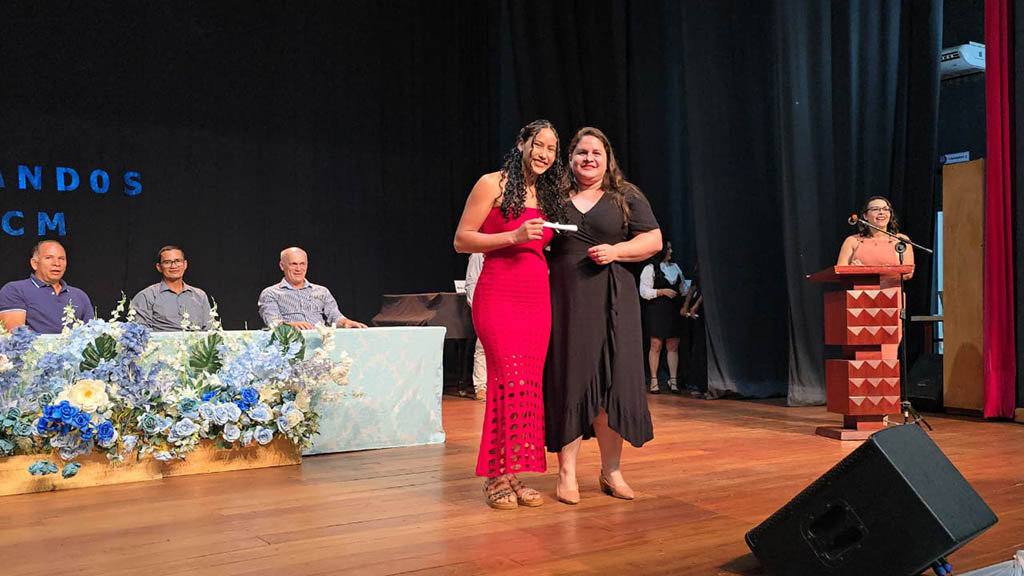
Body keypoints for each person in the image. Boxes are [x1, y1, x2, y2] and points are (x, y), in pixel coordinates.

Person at [545, 127, 662, 505]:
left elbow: (654, 240)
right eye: (582, 152)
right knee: (571, 377)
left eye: (596, 152)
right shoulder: (554, 197)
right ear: (570, 159)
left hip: (614, 299)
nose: (589, 158)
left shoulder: (625, 196)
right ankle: (566, 473)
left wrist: (616, 251)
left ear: (607, 158)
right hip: (567, 299)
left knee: (612, 382)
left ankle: (611, 471)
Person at [453, 119, 567, 510]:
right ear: (521, 143)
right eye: (539, 145)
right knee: (504, 383)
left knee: (526, 386)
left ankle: (513, 471)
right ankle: (495, 476)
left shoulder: (547, 194)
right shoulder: (492, 184)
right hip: (499, 294)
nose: (544, 154)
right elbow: (462, 240)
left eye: (552, 149)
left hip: (537, 298)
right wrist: (513, 237)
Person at [257, 247, 368, 330]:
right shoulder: (270, 293)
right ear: (282, 266)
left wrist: (346, 322)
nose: (298, 269)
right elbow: (273, 323)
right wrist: (291, 326)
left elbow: (335, 317)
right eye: (293, 264)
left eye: (302, 264)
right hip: (290, 344)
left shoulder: (322, 291)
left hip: (320, 343)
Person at [0, 240, 93, 333]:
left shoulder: (80, 295)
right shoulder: (15, 290)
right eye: (49, 258)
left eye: (61, 259)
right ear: (34, 263)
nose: (57, 263)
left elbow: (91, 334)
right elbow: (15, 336)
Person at [639, 241, 687, 394]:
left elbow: (683, 288)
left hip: (673, 310)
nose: (671, 251)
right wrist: (662, 291)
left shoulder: (675, 267)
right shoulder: (650, 269)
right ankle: (654, 380)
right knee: (656, 345)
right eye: (669, 249)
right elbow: (644, 291)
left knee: (673, 346)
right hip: (657, 310)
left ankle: (673, 381)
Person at [131, 245, 213, 331]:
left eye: (178, 261)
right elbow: (140, 333)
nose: (173, 266)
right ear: (159, 267)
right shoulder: (146, 296)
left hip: (197, 340)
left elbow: (210, 331)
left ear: (185, 264)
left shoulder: (200, 296)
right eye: (167, 262)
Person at [837, 196, 915, 275]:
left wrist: (866, 272)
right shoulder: (852, 241)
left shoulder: (901, 240)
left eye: (885, 209)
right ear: (865, 216)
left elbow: (908, 274)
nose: (881, 212)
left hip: (891, 284)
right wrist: (853, 271)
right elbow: (839, 272)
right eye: (875, 209)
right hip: (860, 284)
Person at [464, 253, 487, 401]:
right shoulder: (478, 255)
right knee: (483, 347)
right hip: (486, 307)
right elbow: (471, 283)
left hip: (508, 305)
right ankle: (481, 387)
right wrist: (479, 307)